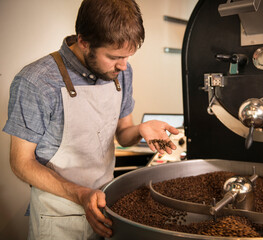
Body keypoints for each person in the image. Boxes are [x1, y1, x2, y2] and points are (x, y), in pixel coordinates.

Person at [2, 0, 179, 239]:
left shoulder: (121, 73)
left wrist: (141, 128)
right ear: (84, 42)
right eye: (115, 56)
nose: (124, 66)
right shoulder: (36, 81)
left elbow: (123, 134)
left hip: (106, 205)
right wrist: (81, 195)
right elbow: (21, 163)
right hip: (59, 215)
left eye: (128, 56)